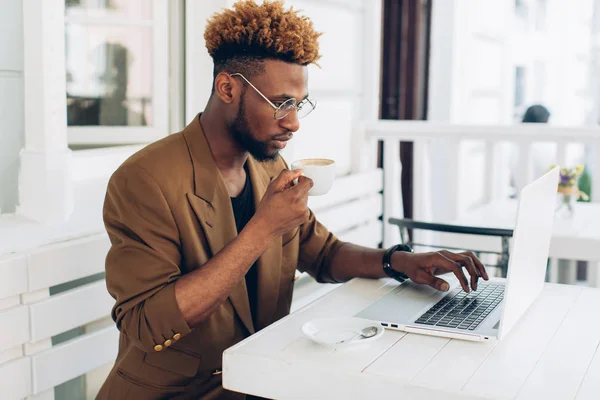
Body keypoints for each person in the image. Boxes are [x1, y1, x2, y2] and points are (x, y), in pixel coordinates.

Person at [97, 1, 488, 398]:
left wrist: (401, 262)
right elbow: (146, 324)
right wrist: (263, 227)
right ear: (228, 88)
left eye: (299, 105)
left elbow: (323, 253)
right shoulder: (145, 180)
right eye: (281, 103)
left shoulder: (267, 166)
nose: (294, 122)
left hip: (260, 379)